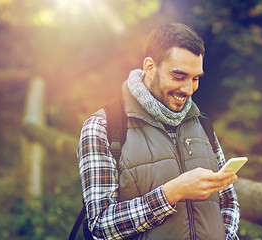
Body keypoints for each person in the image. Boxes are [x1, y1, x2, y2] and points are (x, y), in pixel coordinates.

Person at [77, 23, 240, 240]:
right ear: (150, 67)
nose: (188, 89)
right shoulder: (102, 127)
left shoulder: (201, 123)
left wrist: (227, 235)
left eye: (195, 78)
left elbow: (229, 201)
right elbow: (101, 225)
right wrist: (173, 192)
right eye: (179, 76)